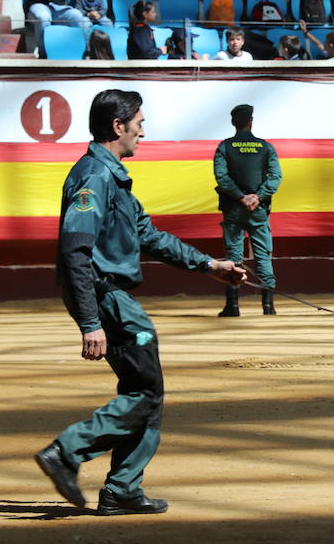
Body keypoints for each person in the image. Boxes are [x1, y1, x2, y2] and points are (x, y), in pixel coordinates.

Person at [35, 89, 247, 515]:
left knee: (145, 389)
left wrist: (209, 265)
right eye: (140, 123)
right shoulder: (93, 177)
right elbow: (75, 251)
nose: (143, 132)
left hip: (111, 295)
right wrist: (90, 322)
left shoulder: (112, 177)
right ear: (119, 126)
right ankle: (68, 451)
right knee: (147, 391)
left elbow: (149, 235)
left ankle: (122, 489)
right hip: (106, 295)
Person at [214, 104, 282, 317]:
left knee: (234, 256)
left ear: (233, 123)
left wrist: (241, 197)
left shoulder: (224, 147)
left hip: (234, 208)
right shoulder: (266, 147)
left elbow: (222, 178)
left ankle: (233, 307)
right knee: (263, 256)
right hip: (258, 209)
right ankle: (268, 307)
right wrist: (258, 196)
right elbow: (275, 177)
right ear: (250, 121)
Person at [24, 0, 89, 58]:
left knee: (77, 16)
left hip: (57, 8)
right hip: (38, 5)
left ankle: (84, 52)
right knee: (43, 17)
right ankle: (43, 53)